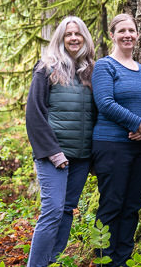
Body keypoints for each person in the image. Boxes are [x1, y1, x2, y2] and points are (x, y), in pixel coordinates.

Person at [91, 13, 141, 266]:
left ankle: (123, 259)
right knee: (112, 205)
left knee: (132, 206)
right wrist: (137, 123)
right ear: (112, 35)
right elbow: (105, 103)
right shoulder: (104, 66)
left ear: (138, 35)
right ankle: (104, 260)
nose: (127, 35)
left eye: (132, 30)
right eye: (122, 31)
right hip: (111, 146)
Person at [25, 16, 95, 266]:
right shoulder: (47, 67)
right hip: (54, 156)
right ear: (61, 38)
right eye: (69, 34)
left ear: (85, 38)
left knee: (66, 211)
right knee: (53, 211)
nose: (74, 38)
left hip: (81, 157)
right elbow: (34, 113)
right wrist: (53, 151)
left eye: (78, 34)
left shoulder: (91, 70)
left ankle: (51, 262)